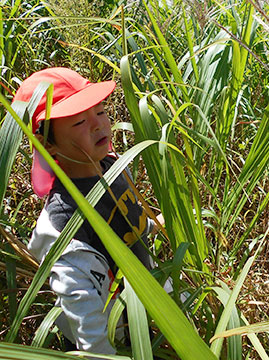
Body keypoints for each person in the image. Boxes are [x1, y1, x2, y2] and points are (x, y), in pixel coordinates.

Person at [13, 67, 162, 354]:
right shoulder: (63, 224)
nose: (98, 125)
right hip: (113, 335)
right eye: (80, 121)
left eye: (101, 112)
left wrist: (154, 225)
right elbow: (85, 316)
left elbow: (129, 219)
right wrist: (106, 352)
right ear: (47, 144)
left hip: (144, 315)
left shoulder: (113, 166)